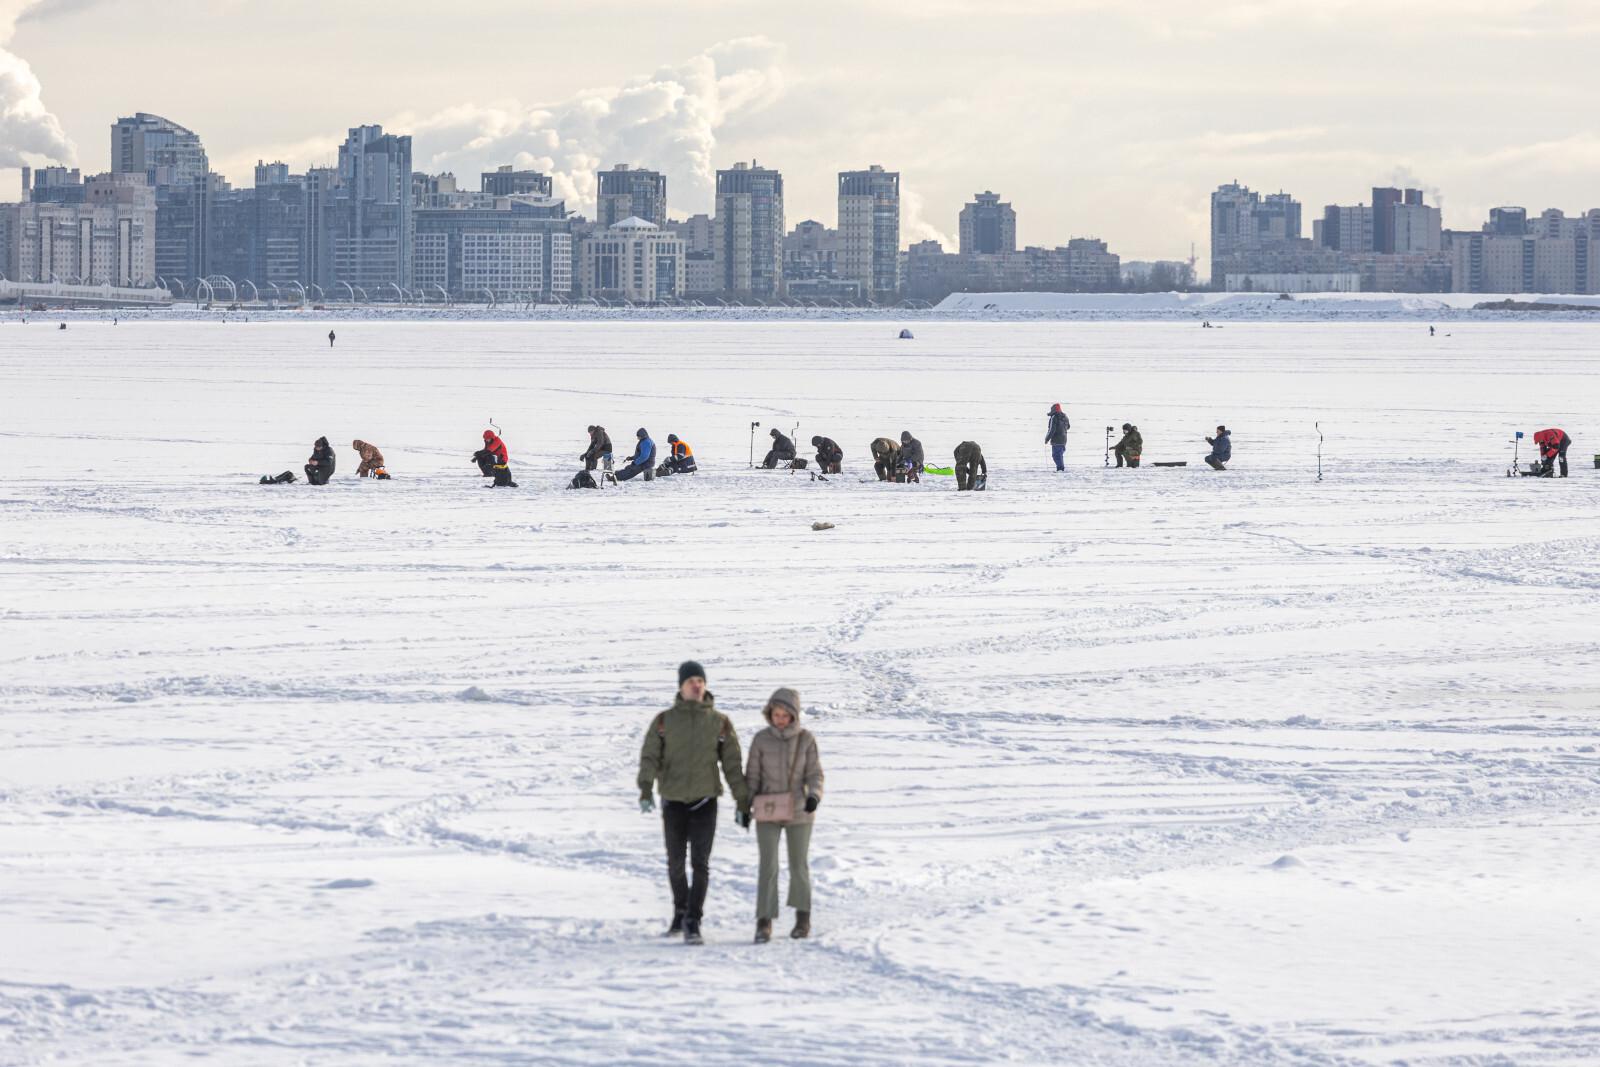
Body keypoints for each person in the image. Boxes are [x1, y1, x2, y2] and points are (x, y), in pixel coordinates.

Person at [637, 661, 750, 945]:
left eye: (700, 680)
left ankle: (693, 920)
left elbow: (733, 765)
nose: (697, 685)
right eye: (691, 681)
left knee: (700, 864)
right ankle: (680, 911)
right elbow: (650, 756)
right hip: (673, 801)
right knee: (675, 863)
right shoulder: (664, 721)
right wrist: (646, 789)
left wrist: (742, 801)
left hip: (705, 801)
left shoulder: (720, 722)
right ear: (681, 686)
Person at [745, 687, 823, 943]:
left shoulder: (806, 740)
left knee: (798, 864)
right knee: (768, 866)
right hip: (768, 809)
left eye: (784, 715)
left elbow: (814, 774)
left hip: (800, 810)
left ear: (793, 715)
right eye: (775, 714)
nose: (779, 719)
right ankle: (764, 921)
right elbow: (753, 776)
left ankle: (803, 918)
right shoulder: (760, 740)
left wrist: (814, 795)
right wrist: (745, 805)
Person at [1046, 403, 1070, 472]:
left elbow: (1051, 430)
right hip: (1064, 440)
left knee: (1056, 456)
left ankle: (1060, 470)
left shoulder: (1054, 417)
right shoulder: (1065, 416)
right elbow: (1068, 427)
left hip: (1056, 441)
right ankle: (1060, 469)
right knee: (1059, 456)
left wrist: (1047, 439)